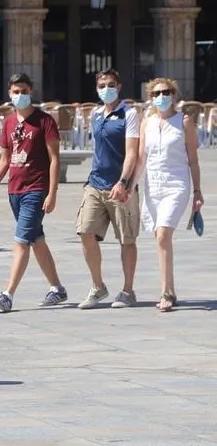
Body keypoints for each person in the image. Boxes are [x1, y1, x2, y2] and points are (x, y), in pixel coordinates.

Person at [0, 73, 67, 313]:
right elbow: (5, 158)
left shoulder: (44, 121)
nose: (20, 95)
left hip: (36, 189)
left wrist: (52, 193)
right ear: (9, 93)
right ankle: (57, 288)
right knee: (36, 239)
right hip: (15, 189)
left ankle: (7, 294)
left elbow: (55, 159)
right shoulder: (9, 122)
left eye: (24, 91)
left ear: (31, 91)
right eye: (15, 92)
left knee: (21, 240)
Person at [75, 69, 141, 309]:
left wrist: (123, 182)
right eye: (102, 86)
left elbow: (132, 152)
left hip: (121, 186)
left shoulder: (129, 114)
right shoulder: (95, 114)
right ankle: (98, 286)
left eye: (111, 85)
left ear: (119, 86)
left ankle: (128, 290)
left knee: (126, 238)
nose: (106, 89)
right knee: (85, 230)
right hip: (95, 183)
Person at [137, 78, 204, 312]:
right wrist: (127, 185)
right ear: (150, 98)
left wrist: (197, 191)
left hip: (177, 184)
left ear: (174, 95)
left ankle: (165, 292)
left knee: (164, 233)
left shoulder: (184, 121)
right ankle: (171, 289)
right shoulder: (147, 122)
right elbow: (141, 158)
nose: (161, 97)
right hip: (153, 185)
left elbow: (193, 159)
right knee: (159, 236)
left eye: (166, 92)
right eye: (156, 94)